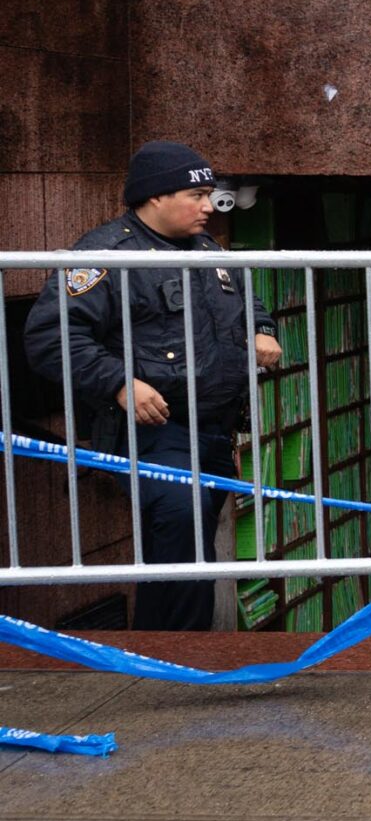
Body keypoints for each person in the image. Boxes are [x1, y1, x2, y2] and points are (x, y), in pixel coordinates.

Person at [23, 141, 282, 631]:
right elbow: (50, 335)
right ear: (155, 197)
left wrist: (263, 330)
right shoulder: (105, 254)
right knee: (182, 529)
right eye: (196, 195)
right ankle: (182, 656)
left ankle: (160, 656)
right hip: (153, 432)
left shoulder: (207, 250)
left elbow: (248, 305)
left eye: (210, 194)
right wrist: (121, 383)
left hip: (212, 431)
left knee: (187, 553)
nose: (209, 206)